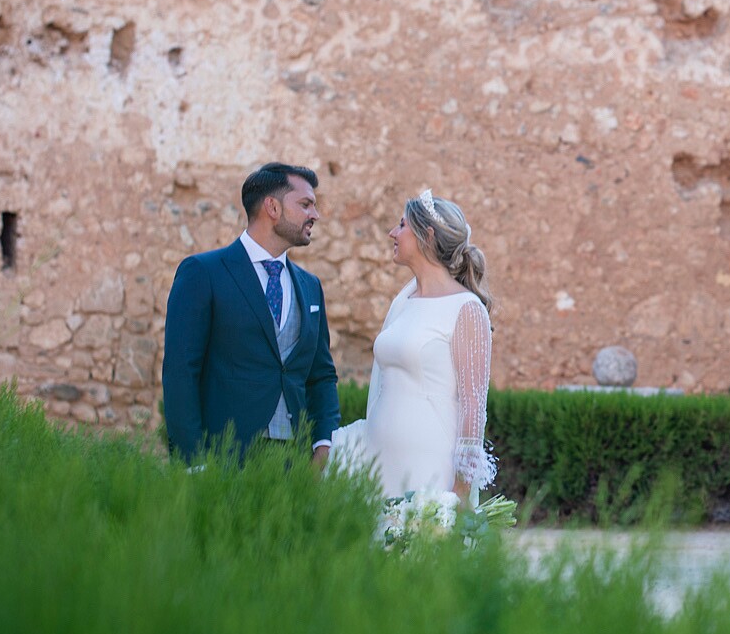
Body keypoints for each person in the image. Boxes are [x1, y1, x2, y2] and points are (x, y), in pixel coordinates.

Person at [161, 162, 341, 464]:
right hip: (223, 458)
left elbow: (321, 376)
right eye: (306, 204)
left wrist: (324, 442)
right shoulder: (204, 273)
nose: (315, 215)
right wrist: (193, 462)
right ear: (272, 207)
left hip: (294, 465)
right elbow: (180, 373)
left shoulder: (310, 287)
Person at [331, 189, 495, 502]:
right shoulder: (404, 302)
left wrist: (460, 491)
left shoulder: (465, 307)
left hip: (429, 461)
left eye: (402, 225)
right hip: (378, 458)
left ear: (426, 235)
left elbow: (474, 402)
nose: (393, 232)